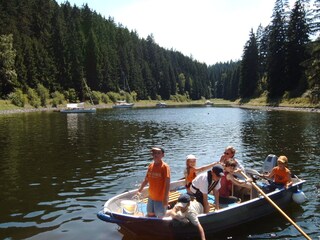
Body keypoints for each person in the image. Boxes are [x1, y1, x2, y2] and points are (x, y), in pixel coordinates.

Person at [137, 146, 171, 218]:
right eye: (154, 153)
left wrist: (165, 198)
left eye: (158, 153)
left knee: (160, 216)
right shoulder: (150, 165)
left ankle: (171, 211)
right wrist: (139, 190)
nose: (156, 155)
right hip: (151, 196)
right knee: (150, 214)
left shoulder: (165, 167)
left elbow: (167, 183)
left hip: (161, 197)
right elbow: (146, 180)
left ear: (162, 155)